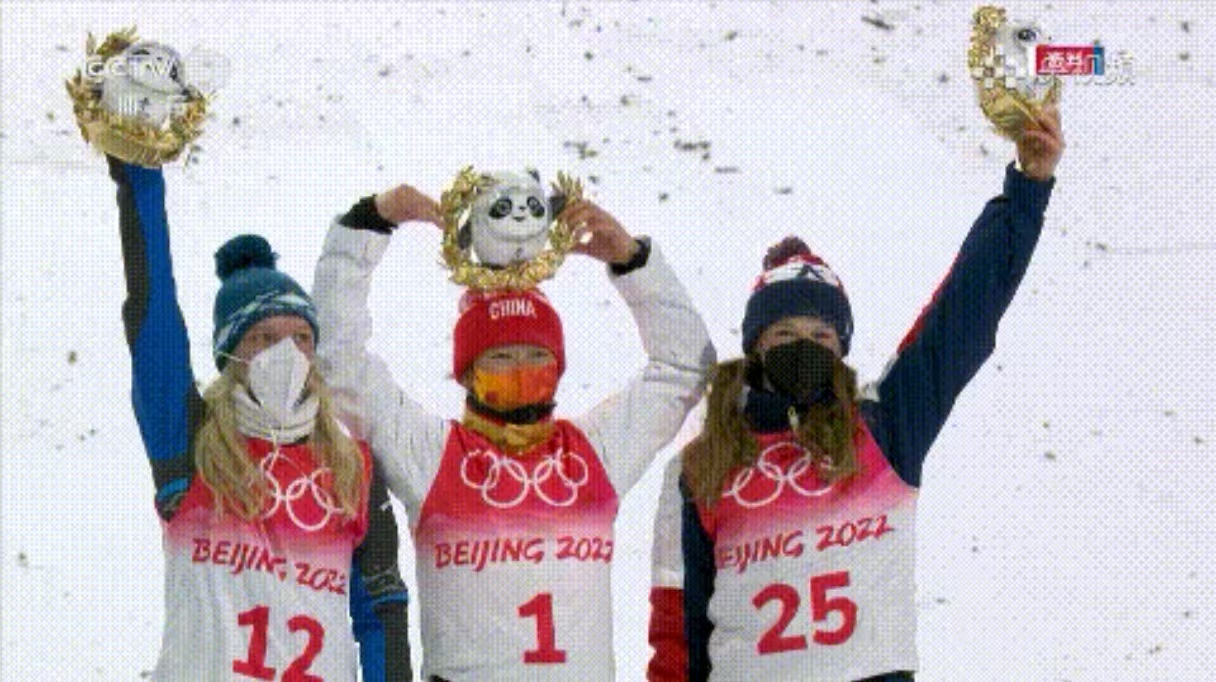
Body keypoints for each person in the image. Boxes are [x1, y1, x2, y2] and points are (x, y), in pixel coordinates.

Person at [646, 106, 1065, 681]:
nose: (804, 347)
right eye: (785, 335)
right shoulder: (699, 468)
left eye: (821, 336)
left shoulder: (884, 427)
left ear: (840, 348)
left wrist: (1027, 191)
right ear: (756, 346)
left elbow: (963, 314)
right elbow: (678, 633)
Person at [312, 175, 715, 681]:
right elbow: (338, 360)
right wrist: (368, 224)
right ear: (467, 373)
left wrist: (633, 262)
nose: (521, 369)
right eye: (500, 357)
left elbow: (686, 367)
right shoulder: (433, 455)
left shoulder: (594, 454)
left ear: (559, 366)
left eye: (537, 356)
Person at [105, 153, 413, 680]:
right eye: (264, 338)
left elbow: (382, 612)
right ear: (231, 352)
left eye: (301, 337)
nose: (286, 353)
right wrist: (140, 171)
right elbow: (152, 317)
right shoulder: (190, 442)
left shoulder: (354, 467)